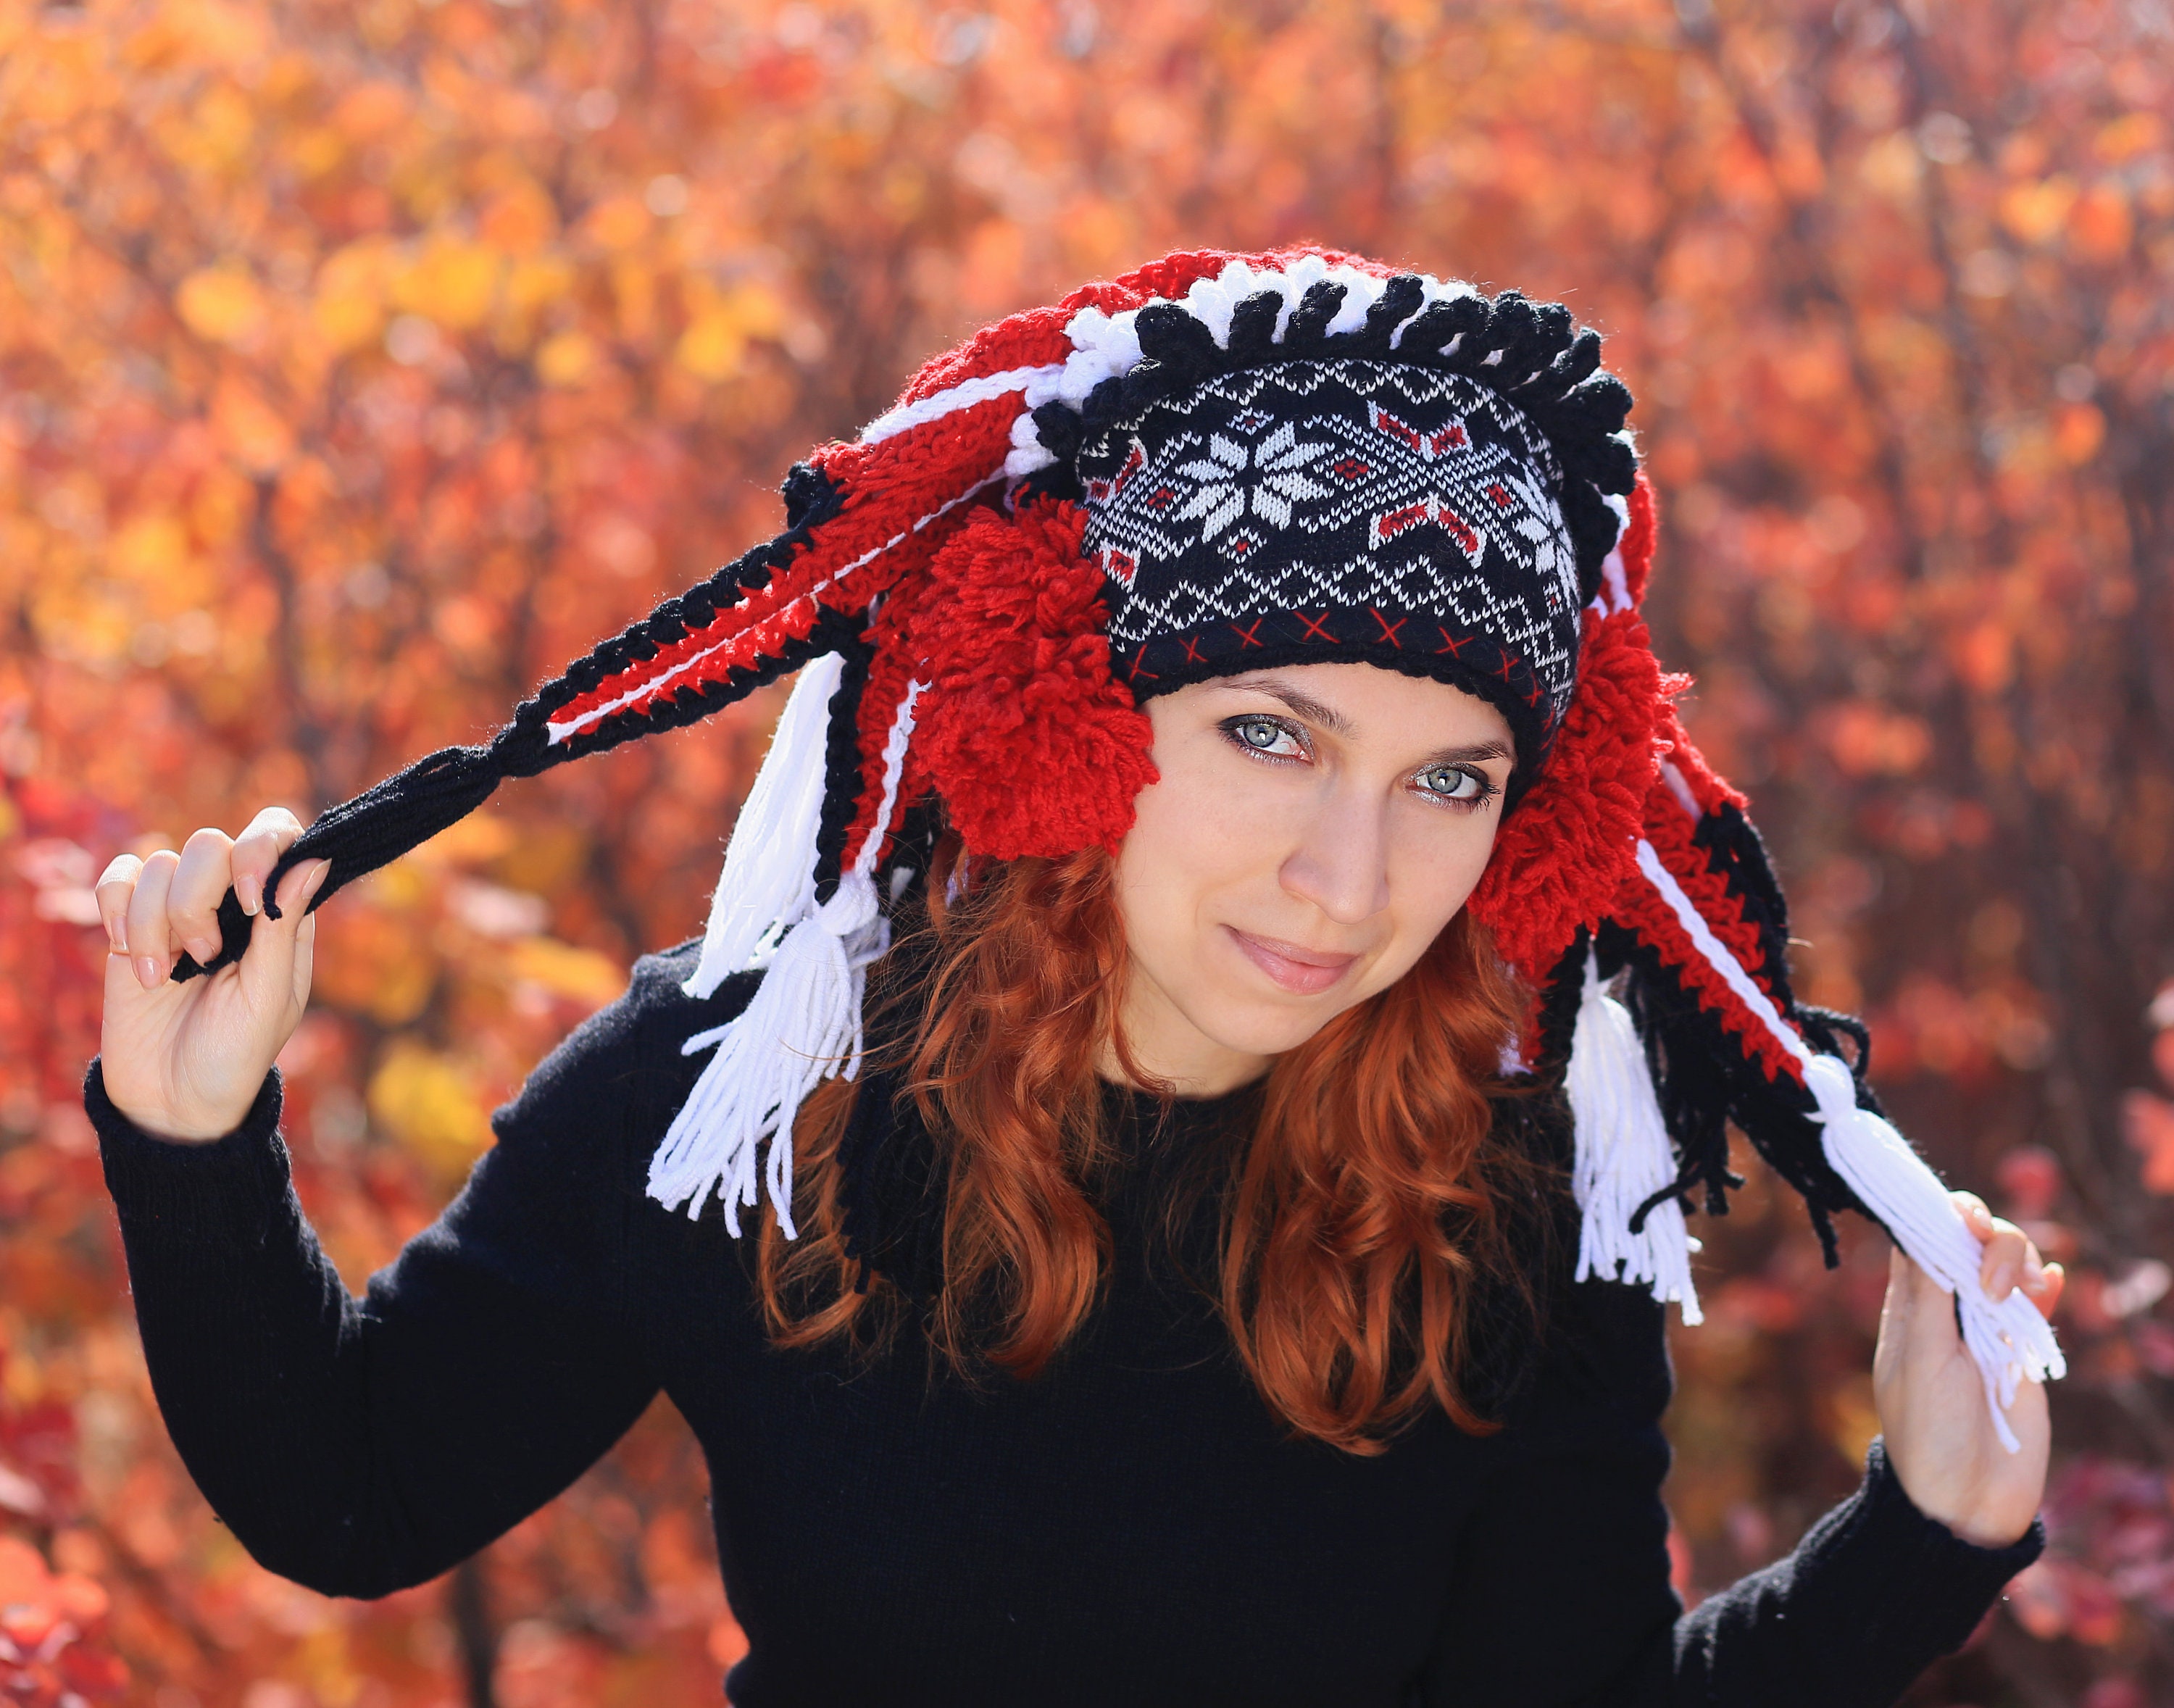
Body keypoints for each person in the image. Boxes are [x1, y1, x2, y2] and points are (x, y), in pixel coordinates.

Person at [86, 249, 2065, 1707]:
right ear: (1075, 721)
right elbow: (349, 1499)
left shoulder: (1505, 1198)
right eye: (1270, 737)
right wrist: (192, 1133)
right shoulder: (750, 1104)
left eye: (1448, 778)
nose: (1353, 874)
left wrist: (1928, 1538)